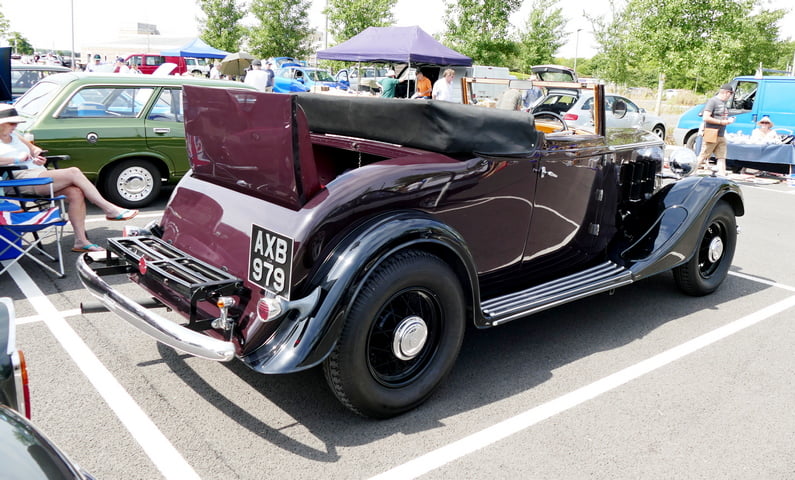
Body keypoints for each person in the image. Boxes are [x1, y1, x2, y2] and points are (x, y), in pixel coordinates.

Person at [0, 105, 137, 253]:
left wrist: (36, 155)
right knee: (73, 172)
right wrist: (16, 158)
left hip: (39, 175)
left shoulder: (16, 135)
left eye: (16, 123)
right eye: (12, 123)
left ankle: (81, 241)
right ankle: (109, 209)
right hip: (18, 180)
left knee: (75, 192)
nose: (15, 126)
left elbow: (34, 149)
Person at [696, 83, 736, 176]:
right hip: (711, 133)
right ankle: (691, 172)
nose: (730, 96)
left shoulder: (723, 103)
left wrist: (728, 121)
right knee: (703, 155)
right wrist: (722, 122)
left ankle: (722, 175)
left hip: (721, 134)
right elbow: (706, 117)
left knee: (721, 157)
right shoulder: (712, 101)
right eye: (730, 94)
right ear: (726, 93)